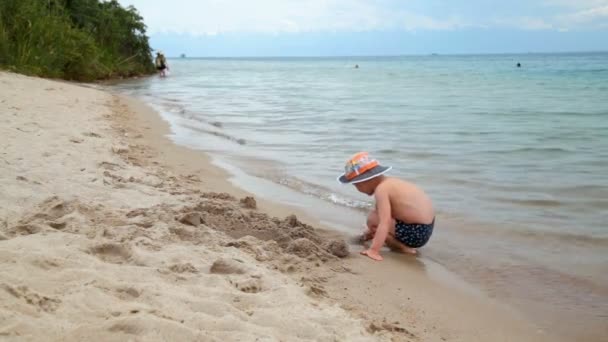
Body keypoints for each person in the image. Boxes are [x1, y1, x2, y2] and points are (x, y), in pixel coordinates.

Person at [337, 152, 435, 261]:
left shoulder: (381, 190)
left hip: (415, 233)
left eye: (356, 185)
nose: (358, 189)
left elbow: (384, 222)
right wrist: (366, 235)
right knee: (376, 216)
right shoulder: (391, 183)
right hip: (425, 230)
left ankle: (405, 249)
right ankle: (387, 239)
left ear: (365, 181)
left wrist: (373, 250)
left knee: (373, 220)